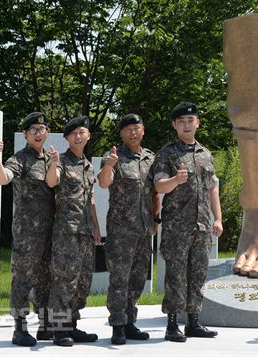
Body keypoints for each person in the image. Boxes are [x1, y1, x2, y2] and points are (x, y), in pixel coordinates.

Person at [153, 102, 223, 343]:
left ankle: (194, 321)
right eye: (181, 121)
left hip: (202, 225)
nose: (186, 124)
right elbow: (159, 186)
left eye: (190, 120)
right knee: (175, 275)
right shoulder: (167, 153)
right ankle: (172, 324)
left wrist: (219, 218)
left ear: (197, 123)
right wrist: (176, 179)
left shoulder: (205, 154)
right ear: (174, 125)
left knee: (198, 274)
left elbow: (213, 188)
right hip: (177, 227)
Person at [0, 112, 54, 346]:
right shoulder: (20, 159)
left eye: (42, 129)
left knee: (46, 278)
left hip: (50, 230)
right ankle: (20, 328)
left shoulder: (51, 157)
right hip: (28, 232)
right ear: (25, 134)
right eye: (34, 130)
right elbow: (3, 178)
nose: (39, 134)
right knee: (23, 278)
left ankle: (45, 325)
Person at [97, 114, 156, 345]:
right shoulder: (113, 157)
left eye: (136, 128)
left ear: (143, 131)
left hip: (144, 228)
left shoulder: (151, 158)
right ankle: (117, 325)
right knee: (120, 278)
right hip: (121, 230)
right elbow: (104, 182)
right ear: (121, 133)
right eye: (128, 129)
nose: (133, 132)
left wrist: (155, 219)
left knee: (138, 277)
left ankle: (131, 322)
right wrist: (110, 165)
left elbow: (154, 192)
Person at [46, 116, 101, 347]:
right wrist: (52, 164)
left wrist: (97, 227)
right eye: (74, 134)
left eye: (82, 132)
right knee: (64, 280)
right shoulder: (62, 162)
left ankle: (72, 325)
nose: (78, 137)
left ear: (88, 136)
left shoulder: (88, 166)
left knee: (82, 281)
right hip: (67, 232)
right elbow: (51, 182)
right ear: (67, 138)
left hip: (86, 232)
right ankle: (58, 329)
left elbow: (91, 200)